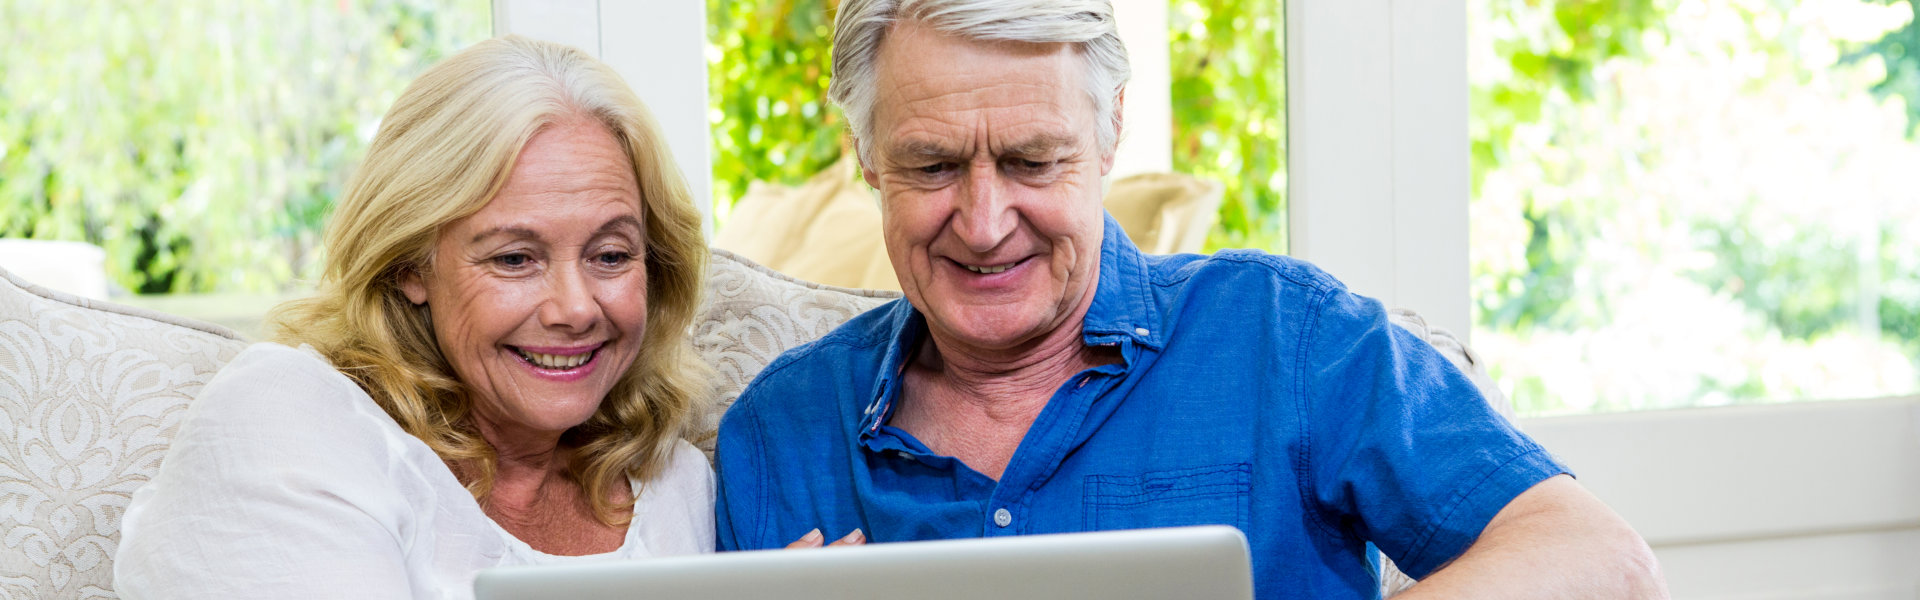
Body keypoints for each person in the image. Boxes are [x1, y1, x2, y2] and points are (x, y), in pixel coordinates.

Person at [712, 0, 1667, 597]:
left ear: (1110, 132)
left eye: (1033, 159)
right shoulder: (782, 428)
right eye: (931, 164)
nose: (984, 218)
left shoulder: (1284, 338)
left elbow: (1599, 560)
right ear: (869, 159)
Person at [116, 35, 714, 599]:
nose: (577, 308)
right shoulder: (288, 420)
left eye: (610, 255)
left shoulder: (674, 483)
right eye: (514, 258)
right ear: (410, 264)